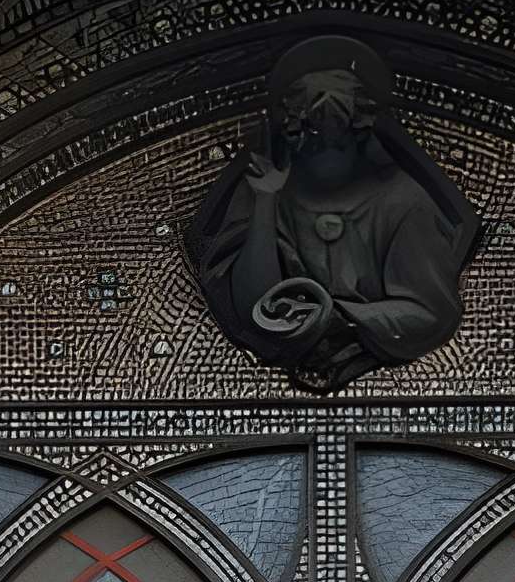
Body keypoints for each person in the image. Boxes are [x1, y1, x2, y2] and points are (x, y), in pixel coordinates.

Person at [187, 35, 481, 391]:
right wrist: (265, 200)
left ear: (361, 129)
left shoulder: (404, 201)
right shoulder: (266, 190)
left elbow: (430, 314)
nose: (320, 143)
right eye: (307, 128)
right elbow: (254, 307)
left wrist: (336, 315)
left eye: (333, 129)